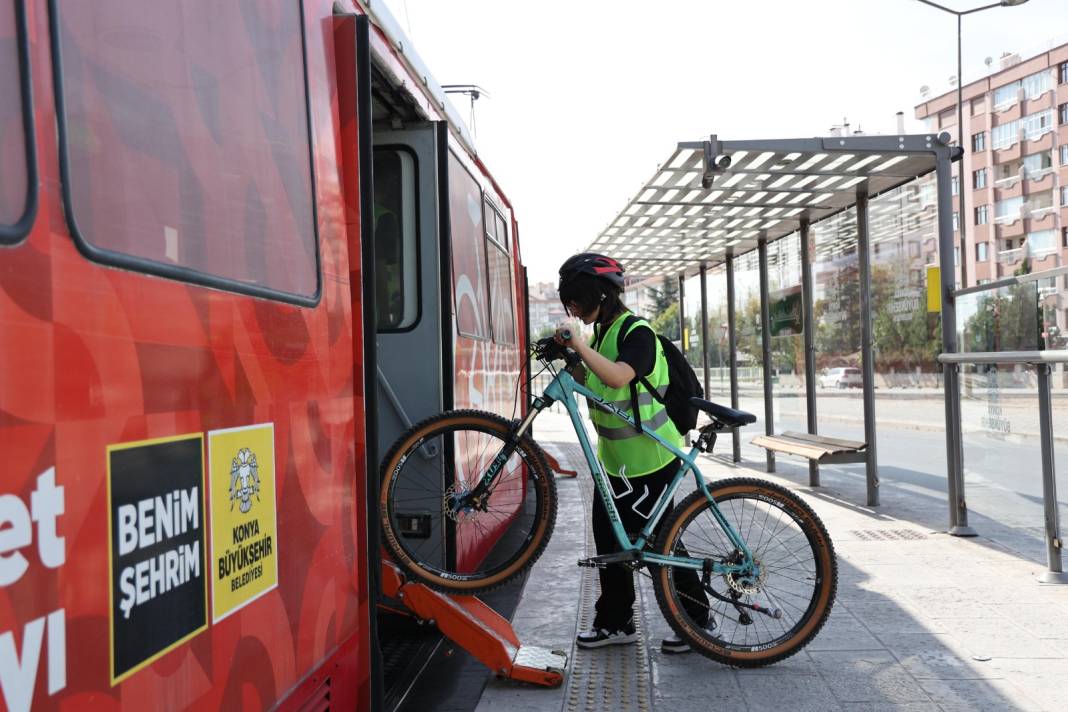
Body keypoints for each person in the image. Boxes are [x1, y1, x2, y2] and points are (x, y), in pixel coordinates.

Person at [555, 253, 710, 654]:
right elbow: (596, 383)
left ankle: (698, 621)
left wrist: (580, 347)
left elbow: (620, 375)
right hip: (618, 463)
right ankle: (616, 622)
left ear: (600, 296)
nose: (572, 308)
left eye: (577, 300)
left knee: (661, 543)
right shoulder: (604, 334)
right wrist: (571, 356)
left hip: (651, 460)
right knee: (610, 540)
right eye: (568, 302)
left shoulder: (636, 331)